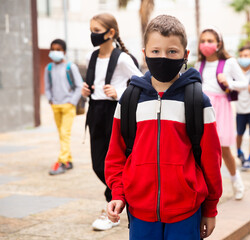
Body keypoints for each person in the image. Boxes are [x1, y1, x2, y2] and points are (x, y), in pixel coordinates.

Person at [105, 15, 223, 240]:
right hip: (140, 211)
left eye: (172, 51)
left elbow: (211, 159)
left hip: (186, 212)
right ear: (144, 54)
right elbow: (116, 154)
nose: (163, 57)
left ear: (185, 55)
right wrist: (118, 193)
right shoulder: (130, 100)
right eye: (156, 51)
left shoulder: (198, 101)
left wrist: (210, 209)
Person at [81, 13, 142, 231]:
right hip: (95, 111)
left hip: (114, 112)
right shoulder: (92, 57)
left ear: (111, 33)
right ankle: (120, 196)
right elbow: (92, 82)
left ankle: (112, 207)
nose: (93, 35)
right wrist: (85, 89)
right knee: (98, 164)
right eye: (92, 30)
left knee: (113, 162)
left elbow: (142, 83)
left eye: (96, 31)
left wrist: (120, 91)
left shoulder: (123, 58)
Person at [195, 27, 248, 200]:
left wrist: (229, 83)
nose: (206, 44)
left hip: (222, 107)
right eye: (203, 41)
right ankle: (211, 189)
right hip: (203, 108)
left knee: (224, 148)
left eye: (210, 41)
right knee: (206, 149)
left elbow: (244, 83)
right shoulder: (198, 64)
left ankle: (236, 181)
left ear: (218, 44)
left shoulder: (229, 63)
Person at [44, 39, 83, 175]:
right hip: (55, 106)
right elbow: (47, 87)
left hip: (68, 106)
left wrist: (71, 101)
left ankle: (61, 162)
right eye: (53, 49)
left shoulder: (70, 67)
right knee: (61, 134)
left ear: (64, 52)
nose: (55, 52)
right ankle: (69, 160)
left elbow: (79, 86)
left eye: (58, 50)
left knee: (65, 134)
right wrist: (50, 100)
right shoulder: (48, 68)